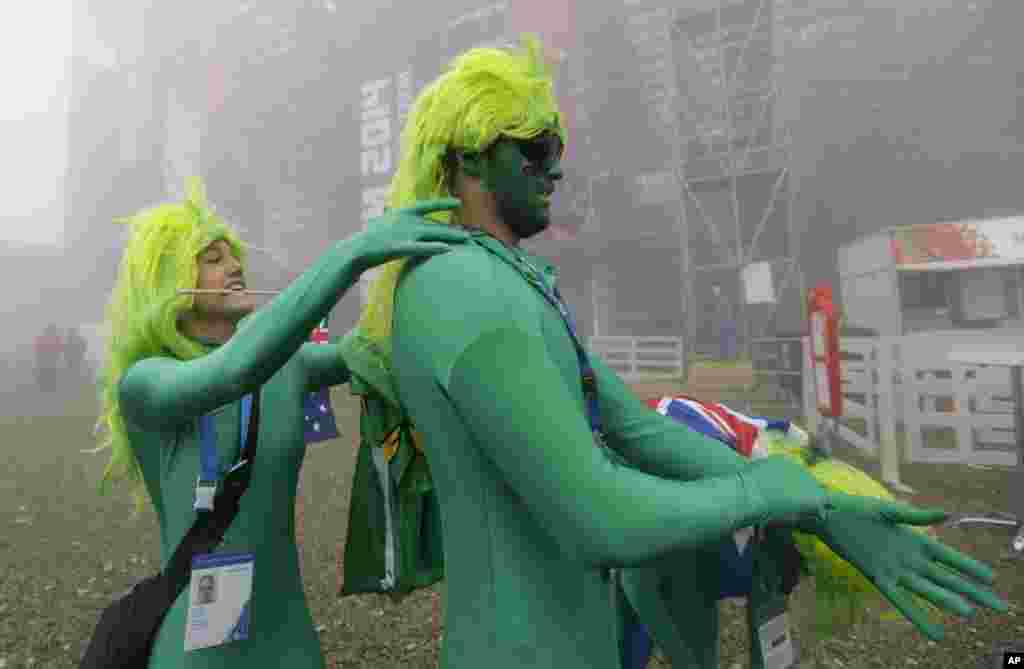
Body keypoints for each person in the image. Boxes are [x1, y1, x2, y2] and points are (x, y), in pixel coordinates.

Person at [349, 36, 1007, 669]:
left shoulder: (500, 279)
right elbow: (600, 515)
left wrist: (822, 507)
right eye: (536, 147)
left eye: (558, 148)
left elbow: (642, 433)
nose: (556, 167)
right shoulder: (464, 286)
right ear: (468, 158)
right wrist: (763, 490)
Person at [92, 178, 466, 669]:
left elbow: (379, 351)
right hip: (199, 651)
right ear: (168, 283)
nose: (235, 266)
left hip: (290, 638)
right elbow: (232, 371)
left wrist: (445, 279)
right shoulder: (146, 382)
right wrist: (353, 254)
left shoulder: (289, 365)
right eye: (212, 259)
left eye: (233, 255)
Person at [34, 323, 63, 392]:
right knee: (50, 375)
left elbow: (38, 349)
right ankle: (50, 388)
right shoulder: (56, 338)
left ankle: (44, 388)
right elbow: (59, 349)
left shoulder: (42, 338)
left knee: (45, 374)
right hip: (50, 361)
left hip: (45, 361)